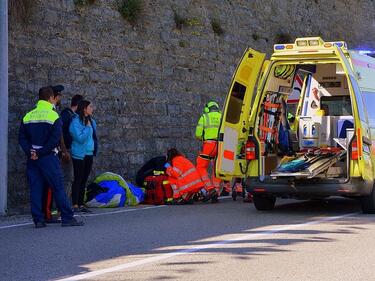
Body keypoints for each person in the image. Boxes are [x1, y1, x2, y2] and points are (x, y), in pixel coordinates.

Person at [18, 86, 84, 228]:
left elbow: (22, 138)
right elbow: (55, 139)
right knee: (58, 187)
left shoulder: (28, 116)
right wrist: (41, 152)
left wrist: (31, 152)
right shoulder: (53, 115)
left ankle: (38, 220)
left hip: (32, 158)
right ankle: (67, 218)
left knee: (35, 188)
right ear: (50, 98)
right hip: (48, 157)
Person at [70, 100, 98, 213]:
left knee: (84, 180)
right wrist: (87, 128)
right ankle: (75, 204)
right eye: (90, 106)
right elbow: (80, 138)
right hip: (79, 154)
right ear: (84, 109)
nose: (92, 108)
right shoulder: (75, 122)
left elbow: (93, 137)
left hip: (89, 153)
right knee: (78, 179)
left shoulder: (92, 121)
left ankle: (81, 204)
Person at [195, 101, 222, 202]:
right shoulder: (222, 116)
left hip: (209, 145)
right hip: (221, 145)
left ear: (207, 108)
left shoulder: (204, 117)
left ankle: (210, 189)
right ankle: (216, 191)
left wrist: (203, 138)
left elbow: (198, 134)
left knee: (201, 167)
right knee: (217, 169)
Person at [60, 94, 84, 198]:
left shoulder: (74, 116)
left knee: (71, 177)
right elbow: (60, 133)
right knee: (67, 177)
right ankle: (62, 204)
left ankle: (64, 203)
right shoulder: (66, 115)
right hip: (66, 150)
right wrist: (64, 150)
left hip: (72, 150)